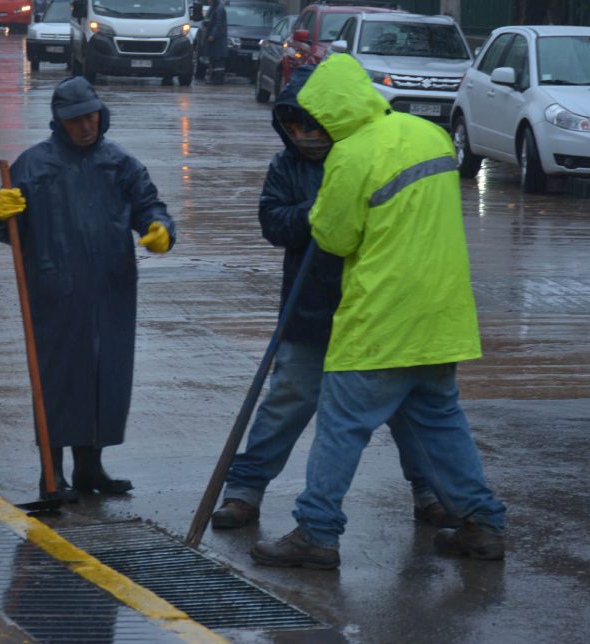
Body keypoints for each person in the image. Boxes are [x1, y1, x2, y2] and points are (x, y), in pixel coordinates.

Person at [250, 54, 506, 569]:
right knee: (440, 422)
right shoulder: (430, 135)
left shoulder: (351, 155)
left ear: (330, 110)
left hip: (382, 320)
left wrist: (322, 210)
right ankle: (482, 524)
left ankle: (317, 532)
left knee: (341, 427)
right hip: (441, 315)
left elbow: (335, 237)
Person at [211, 65, 459, 532]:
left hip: (374, 310)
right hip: (310, 307)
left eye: (309, 124)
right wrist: (319, 210)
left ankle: (431, 493)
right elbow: (273, 223)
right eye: (293, 127)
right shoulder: (286, 167)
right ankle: (245, 490)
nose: (303, 135)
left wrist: (341, 204)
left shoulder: (368, 152)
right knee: (288, 400)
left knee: (408, 409)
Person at [0, 76, 175, 499]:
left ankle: (90, 469)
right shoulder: (34, 165)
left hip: (111, 289)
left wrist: (161, 228)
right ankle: (51, 476)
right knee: (58, 379)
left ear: (100, 114)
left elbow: (149, 206)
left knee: (104, 377)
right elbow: (1, 227)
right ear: (60, 121)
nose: (85, 126)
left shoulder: (120, 164)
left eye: (90, 117)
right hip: (56, 292)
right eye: (75, 120)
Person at [203, 0, 227, 84]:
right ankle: (214, 78)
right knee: (213, 58)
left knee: (218, 59)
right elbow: (209, 20)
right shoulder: (214, 7)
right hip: (215, 39)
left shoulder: (219, 8)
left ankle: (217, 79)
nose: (207, 1)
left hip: (218, 40)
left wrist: (213, 35)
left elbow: (218, 23)